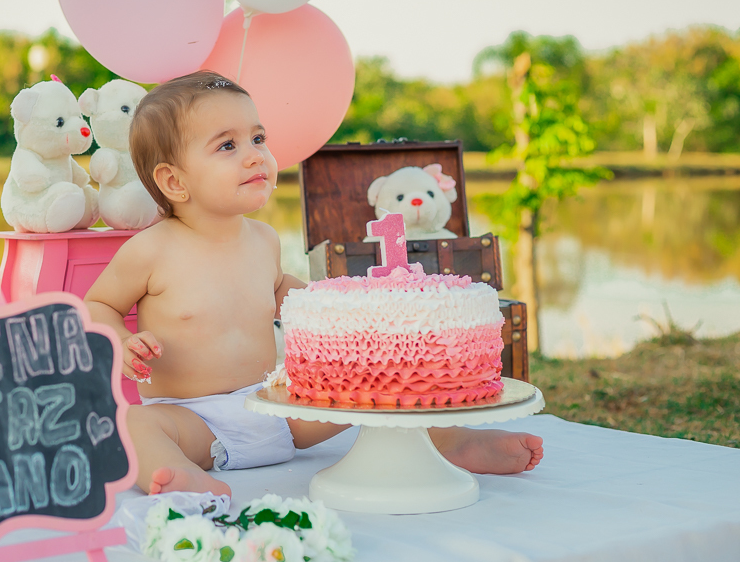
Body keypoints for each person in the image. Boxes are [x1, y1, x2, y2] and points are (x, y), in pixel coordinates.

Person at [84, 71, 544, 497]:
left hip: (276, 407)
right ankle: (181, 476)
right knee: (134, 425)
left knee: (382, 384)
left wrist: (339, 305)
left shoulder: (262, 240)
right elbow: (97, 304)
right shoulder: (152, 250)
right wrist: (120, 340)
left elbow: (285, 289)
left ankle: (452, 442)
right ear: (174, 181)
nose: (254, 154)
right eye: (227, 146)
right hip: (194, 421)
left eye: (258, 138)